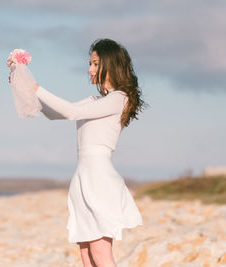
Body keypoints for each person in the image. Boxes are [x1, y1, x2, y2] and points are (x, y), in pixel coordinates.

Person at [30, 38, 147, 267]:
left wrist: (37, 88)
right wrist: (27, 90)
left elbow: (72, 111)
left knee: (100, 254)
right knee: (86, 256)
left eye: (95, 63)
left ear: (110, 65)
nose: (89, 69)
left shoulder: (118, 98)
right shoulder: (95, 101)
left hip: (100, 179)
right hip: (83, 177)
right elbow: (55, 114)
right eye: (90, 63)